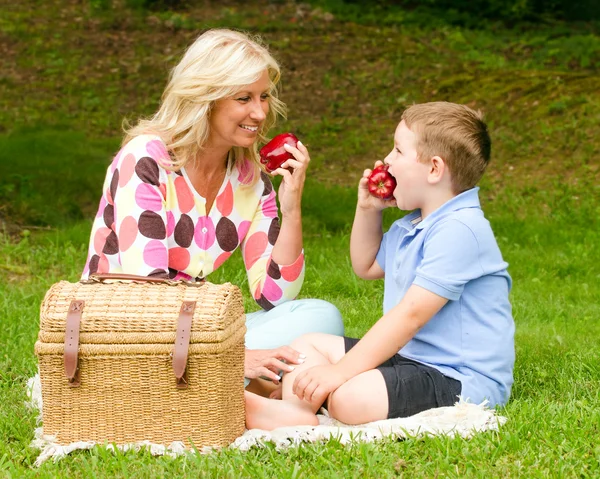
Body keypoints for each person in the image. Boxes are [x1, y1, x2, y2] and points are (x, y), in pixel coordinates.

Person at [81, 29, 344, 392]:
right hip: (128, 334)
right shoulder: (147, 160)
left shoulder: (251, 181)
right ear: (206, 98)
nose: (260, 112)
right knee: (289, 348)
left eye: (264, 96)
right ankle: (237, 380)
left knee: (322, 318)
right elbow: (151, 294)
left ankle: (219, 382)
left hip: (195, 330)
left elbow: (274, 296)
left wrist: (292, 205)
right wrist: (236, 354)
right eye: (244, 98)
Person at [245, 101, 515, 429]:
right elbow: (367, 265)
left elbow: (410, 316)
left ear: (434, 169)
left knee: (350, 396)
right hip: (410, 360)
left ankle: (301, 404)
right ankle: (296, 410)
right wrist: (368, 209)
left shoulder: (461, 229)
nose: (387, 159)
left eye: (399, 151)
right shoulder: (413, 224)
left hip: (457, 377)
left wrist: (339, 373)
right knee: (304, 346)